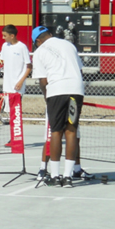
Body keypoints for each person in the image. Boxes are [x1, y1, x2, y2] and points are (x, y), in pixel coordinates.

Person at [31, 25, 84, 188]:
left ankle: (55, 175)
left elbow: (43, 81)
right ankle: (68, 177)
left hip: (56, 90)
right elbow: (79, 69)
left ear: (38, 41)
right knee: (71, 130)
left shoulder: (39, 52)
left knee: (56, 131)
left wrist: (47, 97)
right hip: (76, 90)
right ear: (51, 34)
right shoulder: (69, 45)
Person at [0, 24, 32, 147]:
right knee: (10, 113)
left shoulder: (22, 47)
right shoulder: (4, 46)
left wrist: (20, 81)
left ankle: (16, 139)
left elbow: (28, 67)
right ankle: (13, 138)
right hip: (7, 86)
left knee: (16, 113)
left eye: (5, 36)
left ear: (12, 36)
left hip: (17, 87)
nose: (3, 38)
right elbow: (5, 62)